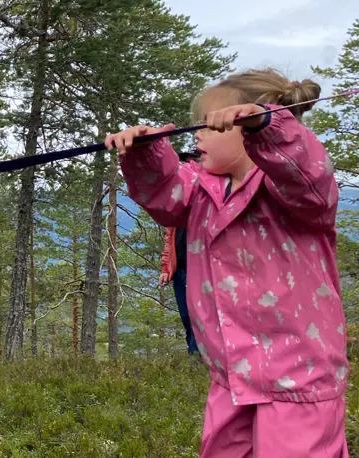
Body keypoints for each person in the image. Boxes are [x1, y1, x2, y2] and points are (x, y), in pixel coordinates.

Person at [106, 69, 347, 457]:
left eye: (209, 124)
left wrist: (269, 126)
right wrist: (142, 151)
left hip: (298, 378)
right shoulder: (200, 187)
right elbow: (164, 195)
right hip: (230, 375)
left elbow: (307, 173)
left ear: (246, 129)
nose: (196, 134)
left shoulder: (292, 188)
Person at [158, 151, 200, 356]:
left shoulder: (205, 197)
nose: (185, 167)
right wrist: (167, 268)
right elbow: (169, 239)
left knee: (199, 317)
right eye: (183, 163)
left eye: (190, 162)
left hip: (200, 270)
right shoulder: (179, 203)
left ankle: (197, 362)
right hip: (180, 270)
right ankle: (194, 360)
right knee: (186, 317)